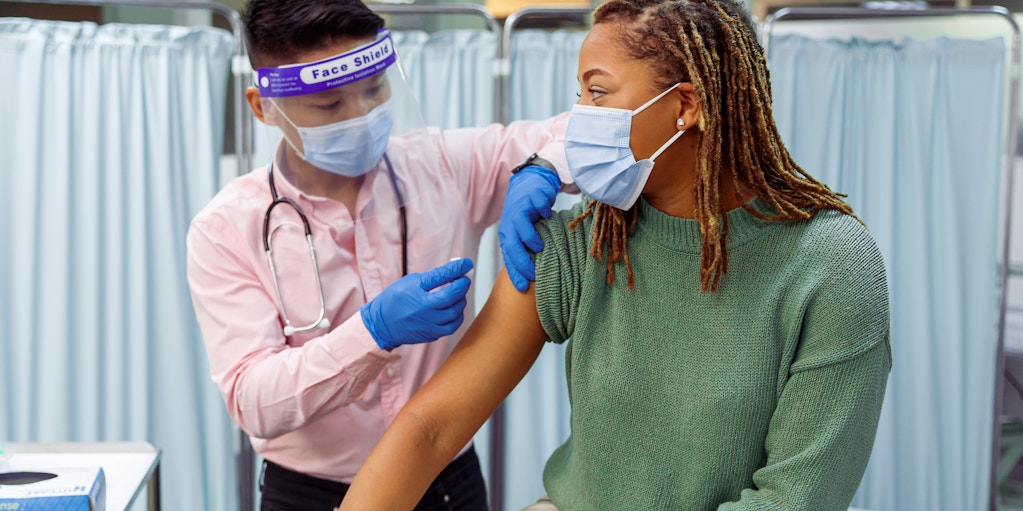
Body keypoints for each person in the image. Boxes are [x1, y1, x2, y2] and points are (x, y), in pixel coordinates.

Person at [336, 0, 892, 509]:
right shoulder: (586, 240)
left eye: (597, 93)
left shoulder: (831, 266)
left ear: (685, 106)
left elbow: (792, 500)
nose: (578, 118)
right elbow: (431, 428)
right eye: (579, 94)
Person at [185, 1, 573, 509]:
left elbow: (592, 128)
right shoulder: (226, 229)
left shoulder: (442, 166)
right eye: (329, 105)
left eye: (374, 89)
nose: (362, 115)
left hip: (447, 482)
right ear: (264, 107)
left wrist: (545, 165)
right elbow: (253, 400)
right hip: (310, 494)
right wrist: (372, 333)